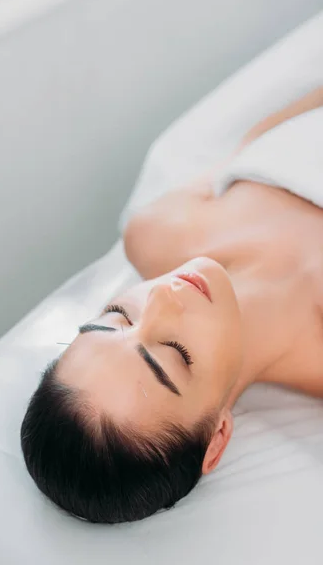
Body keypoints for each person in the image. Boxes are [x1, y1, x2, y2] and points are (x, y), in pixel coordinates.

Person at [21, 87, 323, 524]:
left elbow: (257, 141)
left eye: (116, 317)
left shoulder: (154, 232)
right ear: (216, 437)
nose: (161, 297)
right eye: (173, 353)